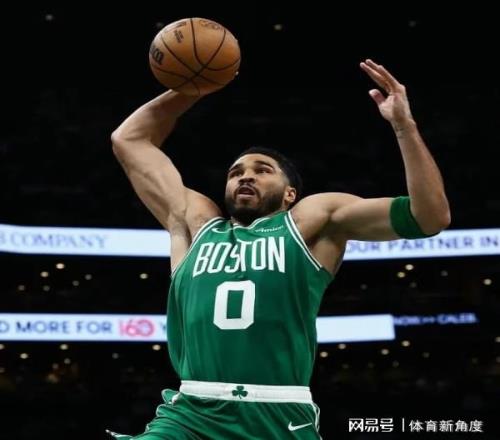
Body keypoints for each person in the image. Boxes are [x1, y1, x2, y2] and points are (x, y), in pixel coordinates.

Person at [108, 59, 451, 439]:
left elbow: (430, 217)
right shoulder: (195, 223)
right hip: (192, 412)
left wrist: (404, 127)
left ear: (290, 194)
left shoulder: (311, 220)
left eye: (262, 170)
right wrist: (193, 87)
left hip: (279, 413)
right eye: (236, 172)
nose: (246, 176)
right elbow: (129, 140)